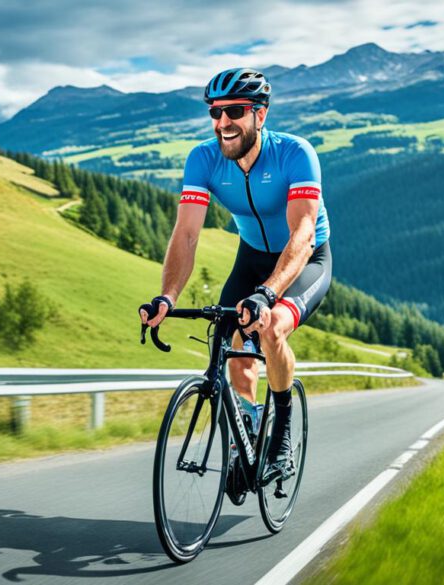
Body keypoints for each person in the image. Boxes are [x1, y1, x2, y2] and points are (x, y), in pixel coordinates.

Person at [139, 67, 332, 472]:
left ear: (260, 115)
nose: (222, 122)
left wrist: (268, 293)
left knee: (271, 326)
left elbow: (303, 232)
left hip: (304, 258)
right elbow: (187, 234)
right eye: (215, 112)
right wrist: (167, 297)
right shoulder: (203, 159)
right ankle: (247, 419)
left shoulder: (295, 154)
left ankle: (280, 434)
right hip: (251, 256)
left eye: (235, 111)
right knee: (228, 337)